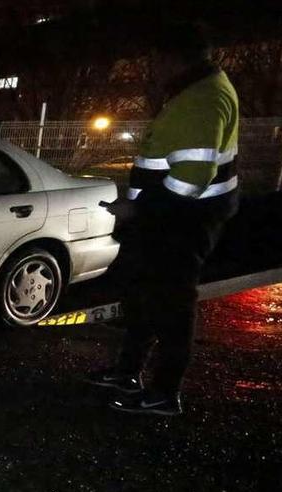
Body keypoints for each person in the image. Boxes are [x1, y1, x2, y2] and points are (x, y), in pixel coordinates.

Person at [87, 23, 240, 416]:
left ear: (173, 59)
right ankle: (128, 372)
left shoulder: (201, 101)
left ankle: (163, 393)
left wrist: (136, 209)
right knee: (143, 294)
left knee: (171, 303)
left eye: (155, 61)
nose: (151, 69)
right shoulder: (195, 92)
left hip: (181, 222)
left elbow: (190, 181)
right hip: (166, 218)